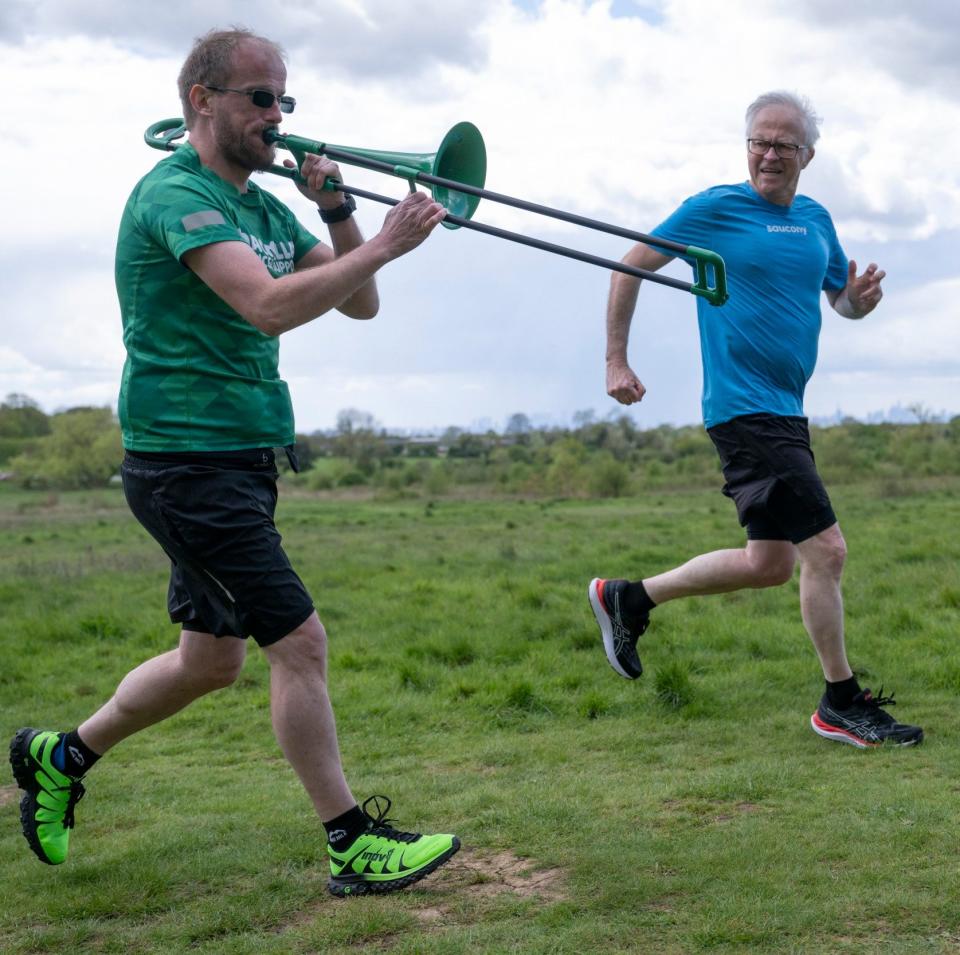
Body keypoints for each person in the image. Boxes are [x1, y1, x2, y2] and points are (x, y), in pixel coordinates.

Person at [9, 27, 461, 895]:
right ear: (201, 101)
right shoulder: (177, 196)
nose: (277, 116)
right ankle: (350, 844)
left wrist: (341, 212)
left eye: (284, 100)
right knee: (301, 642)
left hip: (240, 457)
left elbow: (359, 302)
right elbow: (265, 307)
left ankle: (59, 756)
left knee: (209, 661)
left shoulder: (261, 206)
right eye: (260, 98)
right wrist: (386, 241)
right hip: (186, 463)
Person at [588, 90, 923, 749]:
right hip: (746, 410)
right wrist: (615, 360)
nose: (769, 155)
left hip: (786, 412)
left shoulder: (818, 220)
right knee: (827, 550)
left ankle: (629, 599)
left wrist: (857, 300)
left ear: (808, 156)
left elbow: (839, 302)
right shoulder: (713, 209)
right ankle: (839, 701)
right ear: (747, 147)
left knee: (768, 563)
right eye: (759, 143)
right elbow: (629, 263)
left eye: (784, 146)